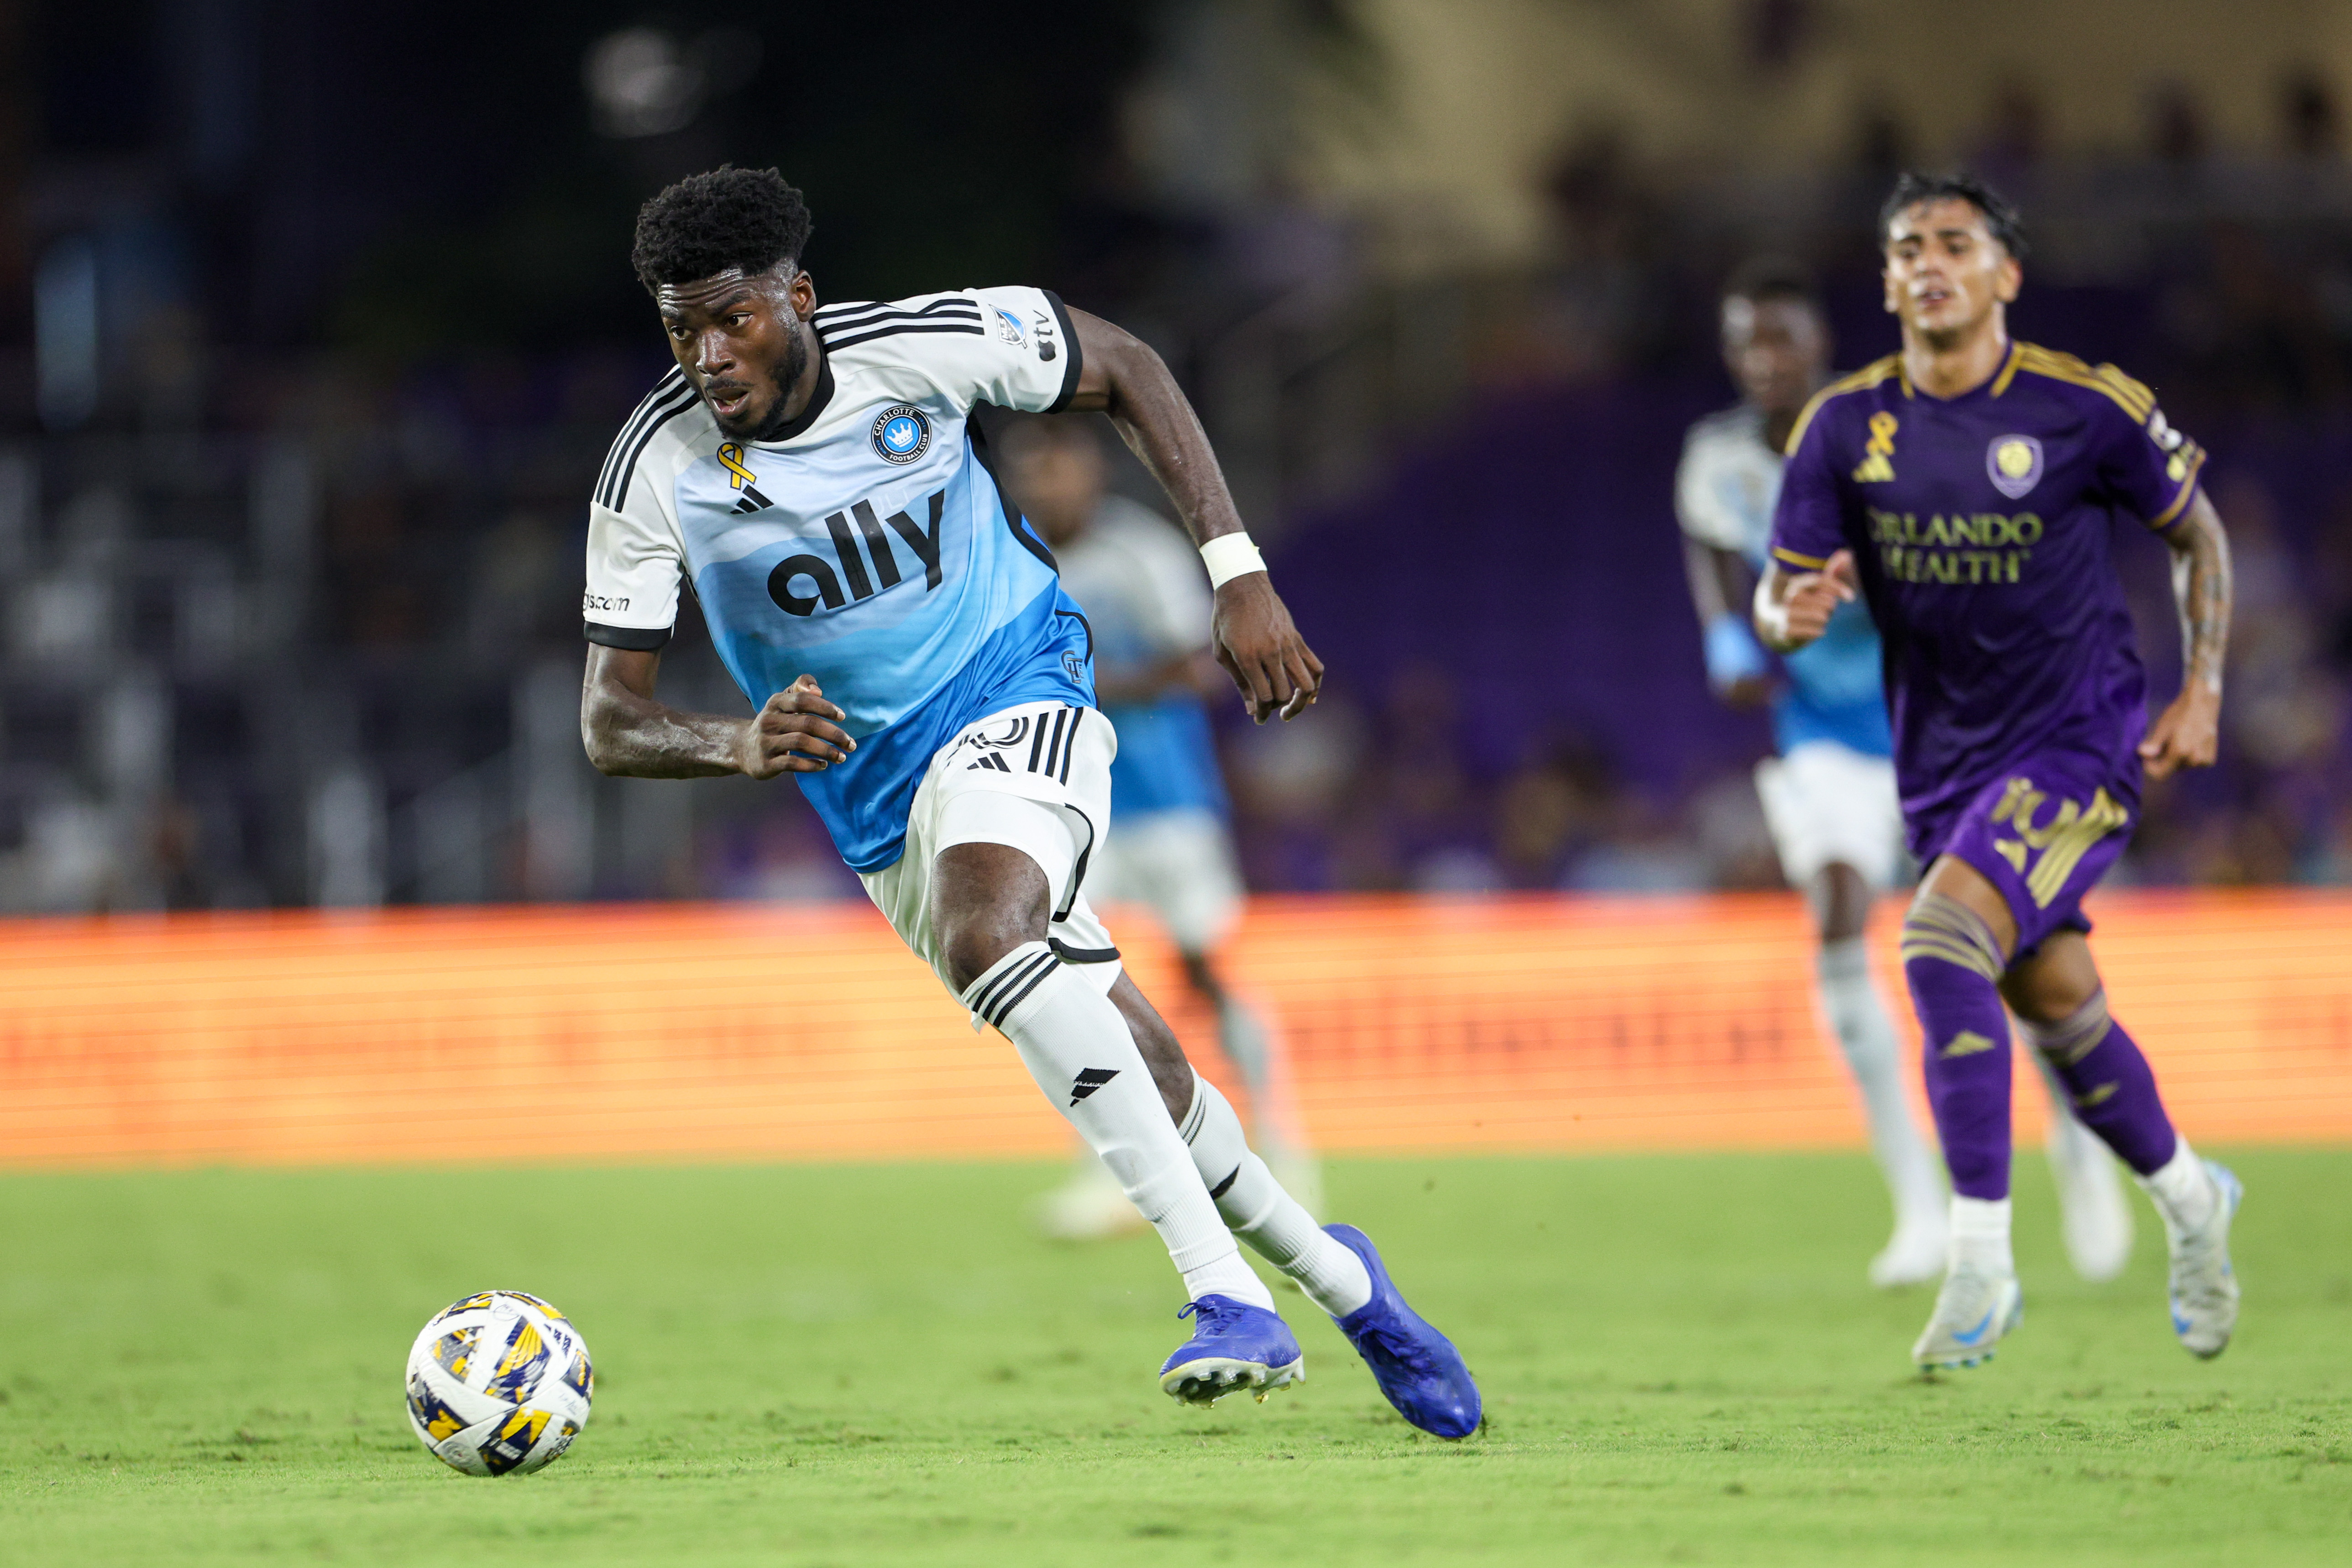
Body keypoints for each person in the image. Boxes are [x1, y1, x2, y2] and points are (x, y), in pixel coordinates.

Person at [575, 166, 1477, 1436]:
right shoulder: (656, 464)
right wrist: (733, 745)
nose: (709, 355)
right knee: (1133, 1059)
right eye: (682, 328)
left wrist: (1236, 571)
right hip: (877, 804)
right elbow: (609, 720)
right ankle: (1349, 1285)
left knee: (994, 928)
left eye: (733, 318)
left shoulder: (924, 350)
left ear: (800, 298)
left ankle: (1226, 1296)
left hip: (1020, 683)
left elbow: (1128, 368)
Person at [1756, 172, 2241, 1371]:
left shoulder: (2086, 408)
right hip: (1942, 772)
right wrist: (1789, 614)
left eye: (1957, 245)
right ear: (1884, 281)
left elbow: (2199, 533)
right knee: (2060, 1004)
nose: (1930, 262)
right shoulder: (1839, 428)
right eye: (1908, 247)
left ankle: (1980, 1255)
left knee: (1934, 942)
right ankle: (2192, 1201)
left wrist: (2205, 684)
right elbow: (1775, 598)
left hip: (2080, 748)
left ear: (2004, 275)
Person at [1678, 259, 2134, 1290]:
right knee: (1839, 910)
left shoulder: (1881, 442)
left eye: (1783, 338)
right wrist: (1729, 637)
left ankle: (2075, 1148)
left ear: (1818, 347)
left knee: (2010, 953)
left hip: (1944, 728)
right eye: (1749, 340)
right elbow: (1710, 557)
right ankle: (1917, 1206)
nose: (1766, 358)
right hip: (1829, 742)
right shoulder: (1714, 459)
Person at [997, 416, 1320, 1242]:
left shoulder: (1141, 552)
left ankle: (1286, 1153)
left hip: (1168, 801)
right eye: (1032, 473)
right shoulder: (1005, 560)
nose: (1047, 486)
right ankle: (1109, 1177)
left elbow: (1197, 663)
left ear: (1092, 473)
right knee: (1067, 987)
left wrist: (1083, 686)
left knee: (1206, 969)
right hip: (1068, 808)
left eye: (1059, 468)